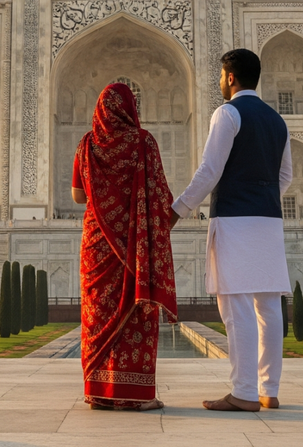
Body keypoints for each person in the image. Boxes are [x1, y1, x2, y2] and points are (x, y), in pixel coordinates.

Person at [169, 49, 292, 412]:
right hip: (268, 221)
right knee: (268, 307)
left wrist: (177, 211)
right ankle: (268, 389)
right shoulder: (277, 121)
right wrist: (261, 197)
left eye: (221, 76)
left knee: (236, 306)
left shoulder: (228, 113)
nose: (220, 82)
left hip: (235, 220)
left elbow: (210, 171)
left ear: (231, 78)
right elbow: (285, 177)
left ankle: (243, 392)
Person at [72, 82, 176, 411]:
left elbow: (78, 195)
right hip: (135, 243)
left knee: (97, 314)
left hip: (97, 243)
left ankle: (99, 393)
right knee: (136, 314)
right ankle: (137, 394)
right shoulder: (144, 143)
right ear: (131, 109)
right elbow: (159, 194)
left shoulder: (87, 145)